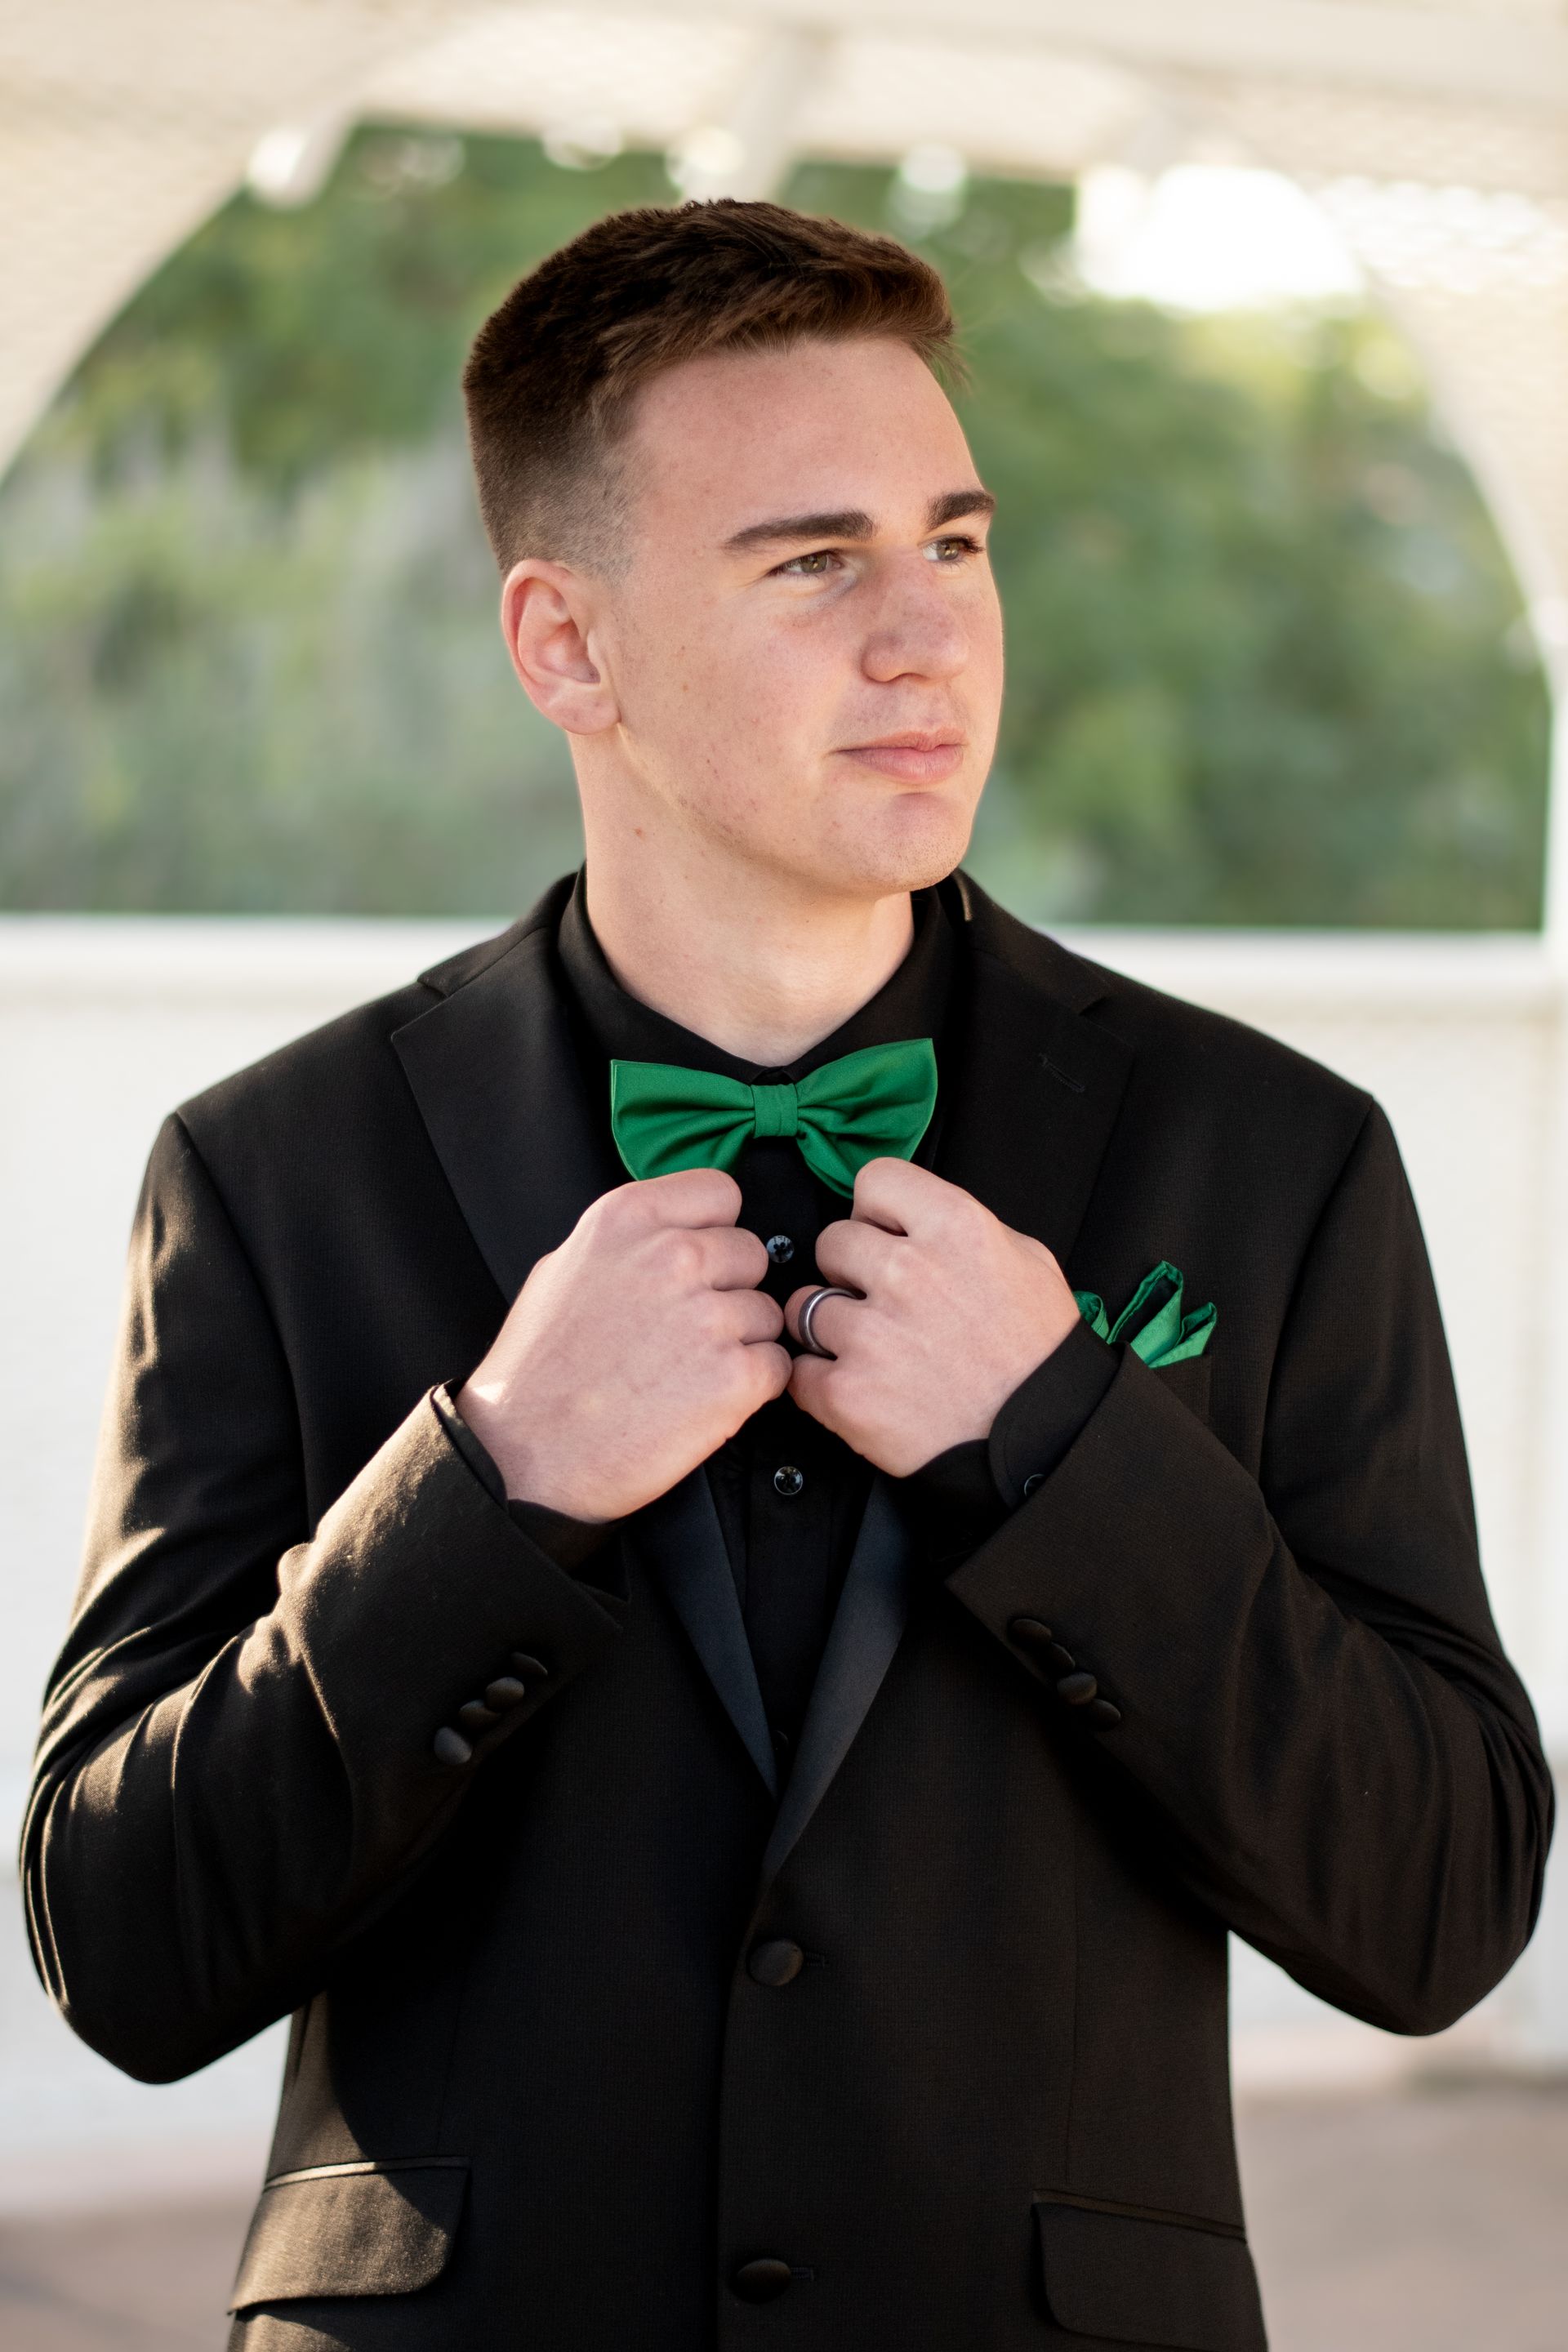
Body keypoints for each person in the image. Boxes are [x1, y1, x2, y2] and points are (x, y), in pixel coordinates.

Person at [24, 200, 1550, 2352]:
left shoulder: (1275, 1158)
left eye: (956, 540)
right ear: (567, 647)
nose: (930, 637)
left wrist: (1068, 1455)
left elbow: (1442, 1903)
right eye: (815, 561)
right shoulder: (278, 1173)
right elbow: (124, 1939)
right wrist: (490, 1488)